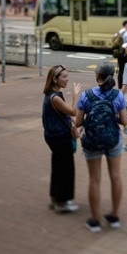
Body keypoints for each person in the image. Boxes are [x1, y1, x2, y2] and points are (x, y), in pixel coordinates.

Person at [76, 63, 127, 233]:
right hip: (113, 140)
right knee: (115, 177)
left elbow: (78, 122)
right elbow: (125, 121)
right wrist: (113, 117)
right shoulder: (118, 95)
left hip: (92, 140)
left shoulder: (86, 95)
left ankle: (95, 220)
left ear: (97, 75)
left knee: (94, 180)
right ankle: (114, 216)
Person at [42, 65, 82, 213]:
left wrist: (75, 125)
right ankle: (62, 202)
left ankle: (55, 198)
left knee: (58, 167)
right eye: (64, 77)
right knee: (65, 169)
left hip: (56, 136)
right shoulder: (55, 98)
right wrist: (76, 96)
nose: (67, 79)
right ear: (54, 79)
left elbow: (66, 115)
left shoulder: (55, 95)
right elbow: (72, 110)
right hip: (58, 137)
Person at [115, 20, 127, 89]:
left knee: (121, 70)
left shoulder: (120, 31)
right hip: (126, 53)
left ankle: (120, 86)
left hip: (119, 53)